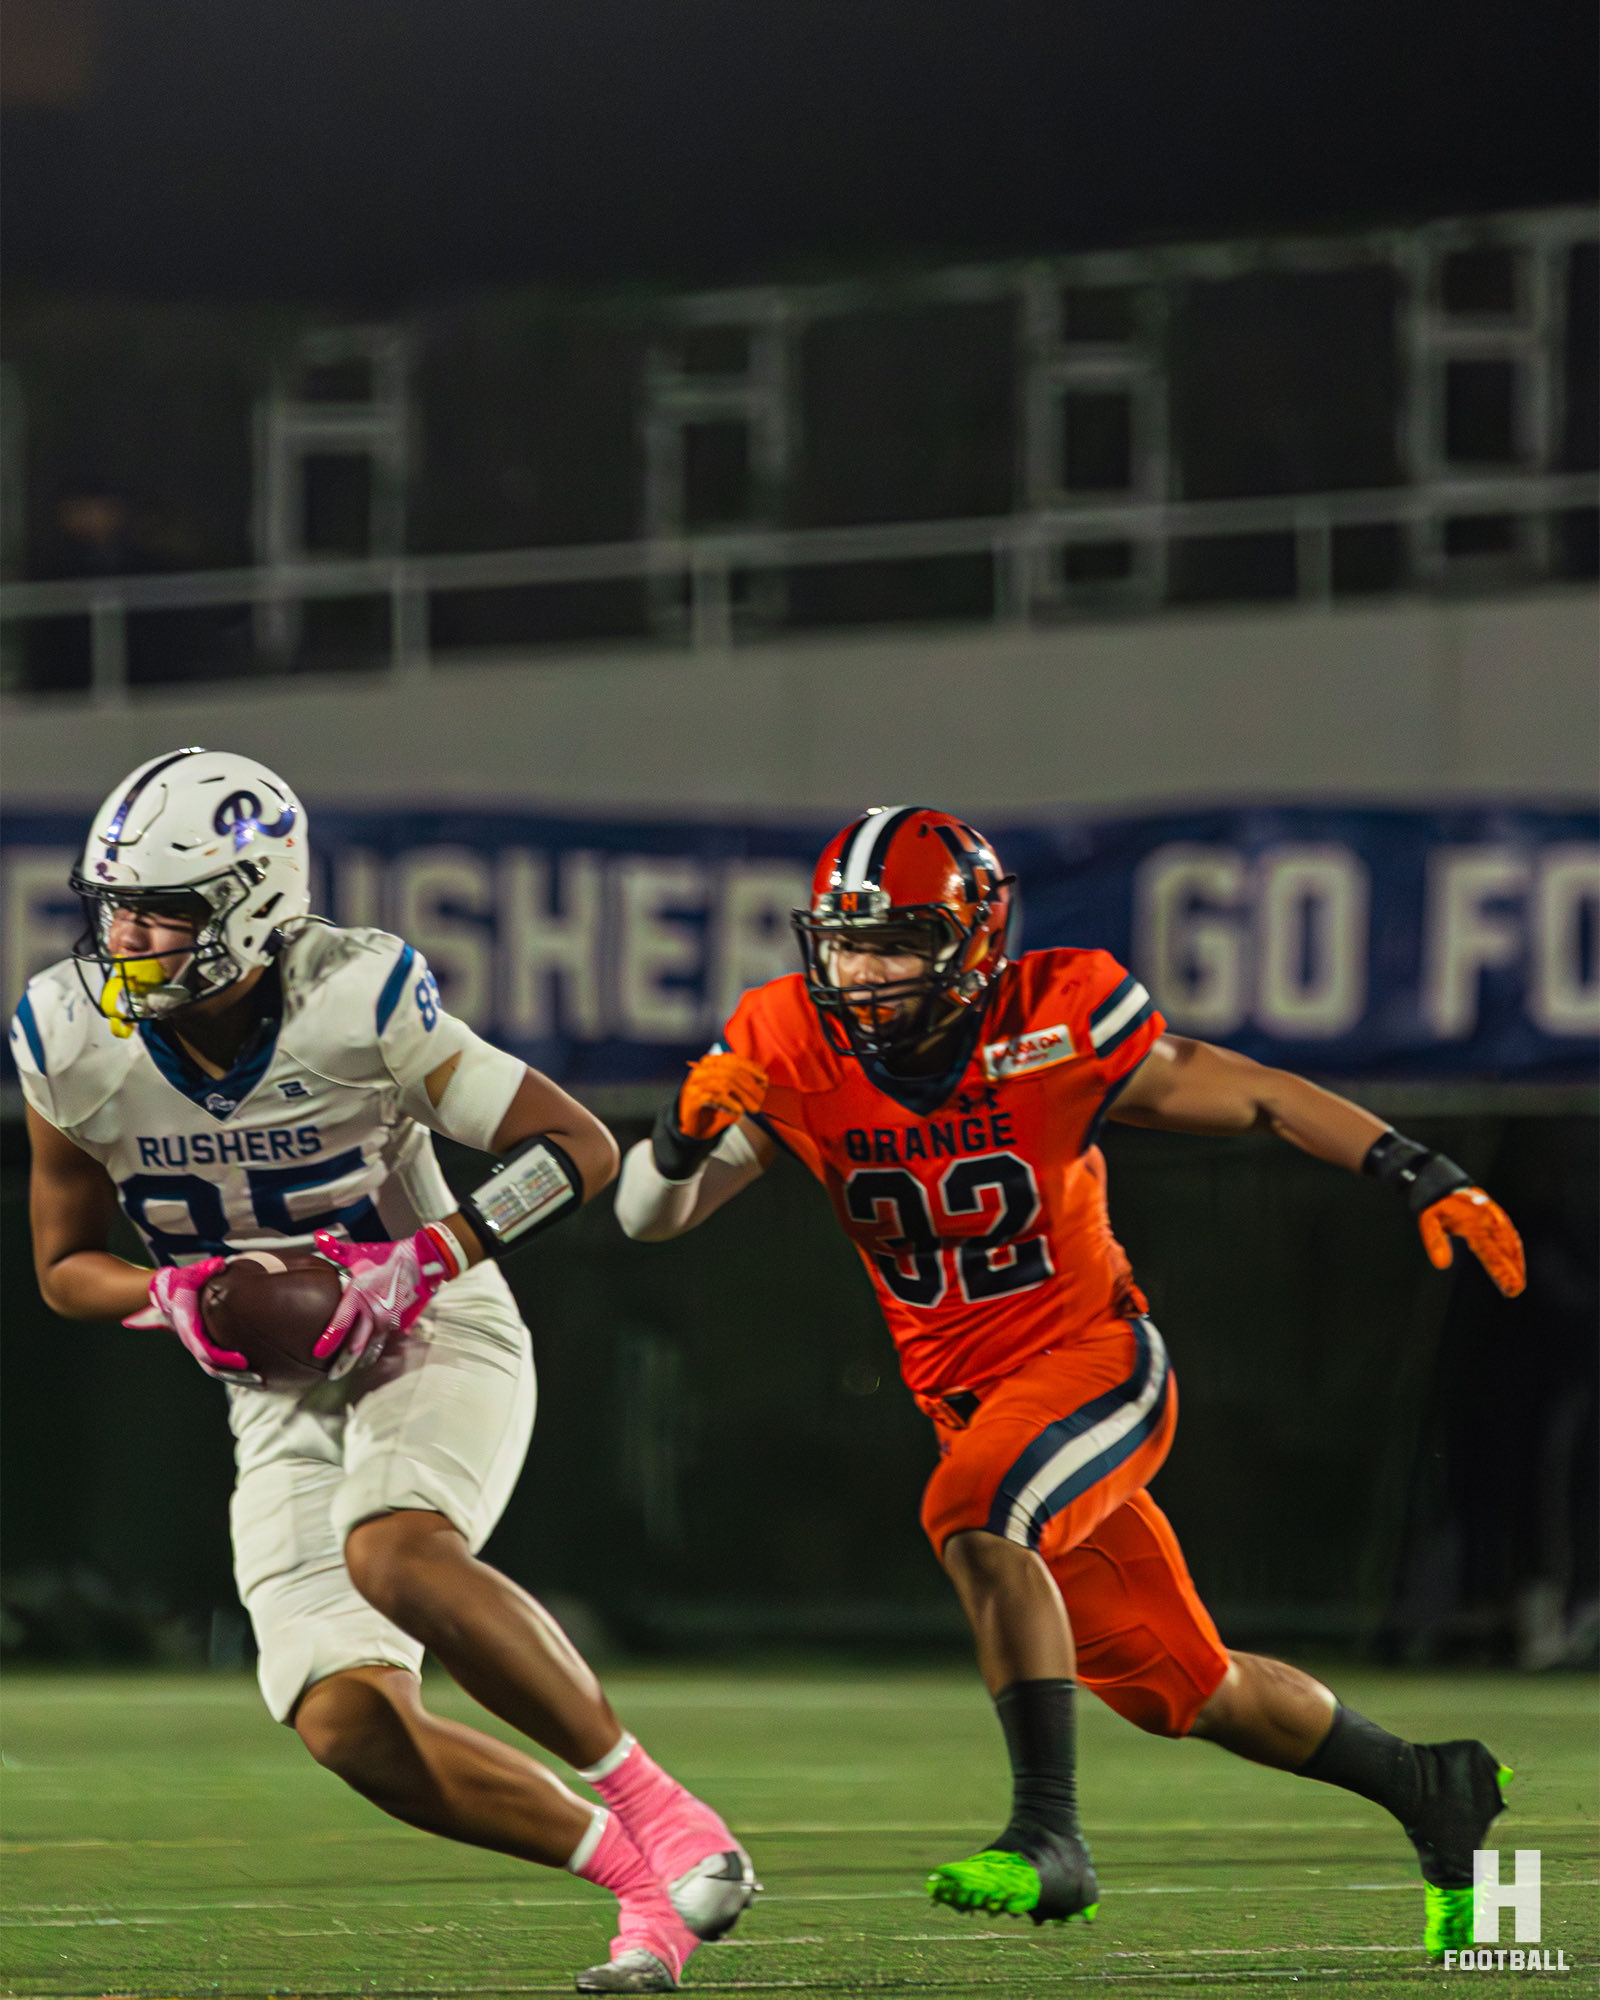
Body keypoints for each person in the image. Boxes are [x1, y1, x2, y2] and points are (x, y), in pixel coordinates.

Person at [614, 804, 1528, 1962]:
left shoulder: (1057, 1014)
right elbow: (651, 1218)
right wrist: (678, 1139)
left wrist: (1414, 1165)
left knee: (973, 1512)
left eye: (895, 940)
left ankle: (1048, 1834)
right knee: (1184, 1689)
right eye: (844, 939)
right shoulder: (788, 1038)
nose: (862, 968)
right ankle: (1429, 1785)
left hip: (1091, 1360)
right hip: (969, 1404)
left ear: (972, 941)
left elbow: (1246, 1088)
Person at [12, 747, 754, 1997]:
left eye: (164, 908)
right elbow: (62, 1260)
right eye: (115, 903)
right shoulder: (68, 1033)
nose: (126, 934)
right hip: (271, 1382)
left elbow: (570, 1146)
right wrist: (168, 1293)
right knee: (347, 1721)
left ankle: (666, 1809)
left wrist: (425, 1255)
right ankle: (643, 1885)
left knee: (394, 1549)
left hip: (429, 1324)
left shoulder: (357, 997)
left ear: (252, 903)